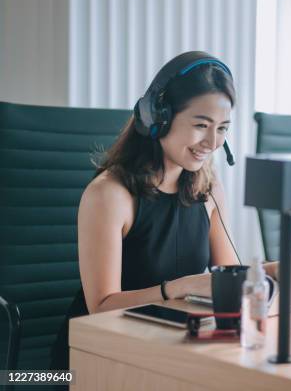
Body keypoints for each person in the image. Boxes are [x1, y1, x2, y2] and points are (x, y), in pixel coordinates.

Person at [50, 51, 275, 370]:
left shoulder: (207, 189)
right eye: (201, 125)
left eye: (222, 128)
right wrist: (181, 287)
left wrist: (286, 271)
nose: (212, 142)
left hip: (168, 345)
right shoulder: (109, 195)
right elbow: (101, 306)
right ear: (159, 118)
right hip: (96, 357)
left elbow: (230, 280)